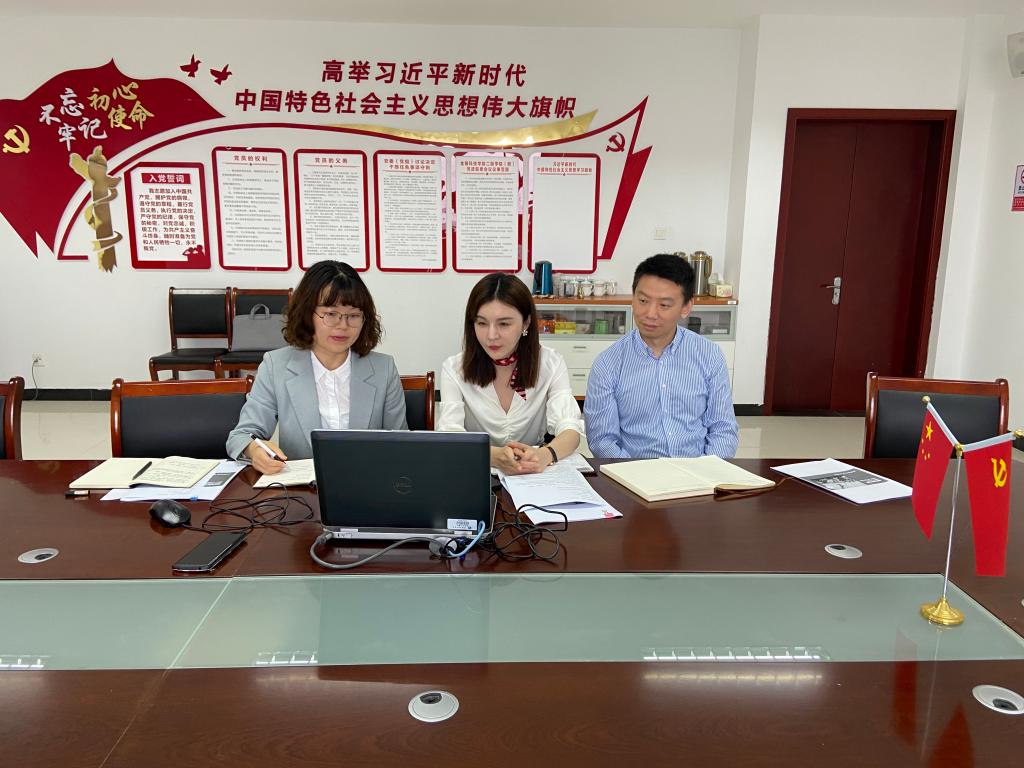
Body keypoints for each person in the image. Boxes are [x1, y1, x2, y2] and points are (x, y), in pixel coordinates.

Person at [226, 261, 407, 475]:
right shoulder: (276, 366)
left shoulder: (384, 369)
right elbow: (242, 435)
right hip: (302, 488)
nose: (343, 325)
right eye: (331, 314)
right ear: (307, 314)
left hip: (366, 482)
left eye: (353, 315)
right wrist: (255, 450)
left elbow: (401, 443)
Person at [584, 254, 738, 459]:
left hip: (696, 470)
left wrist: (706, 471)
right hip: (633, 472)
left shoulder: (709, 355)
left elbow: (723, 429)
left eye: (664, 305)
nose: (650, 313)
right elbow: (602, 440)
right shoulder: (608, 363)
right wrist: (632, 473)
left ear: (686, 307)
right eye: (643, 301)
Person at [438, 272, 584, 475]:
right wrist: (494, 456)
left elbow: (570, 429)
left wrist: (544, 455)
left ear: (526, 323)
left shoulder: (550, 363)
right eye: (481, 323)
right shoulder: (454, 369)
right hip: (477, 473)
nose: (491, 335)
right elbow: (450, 436)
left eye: (504, 324)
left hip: (533, 475)